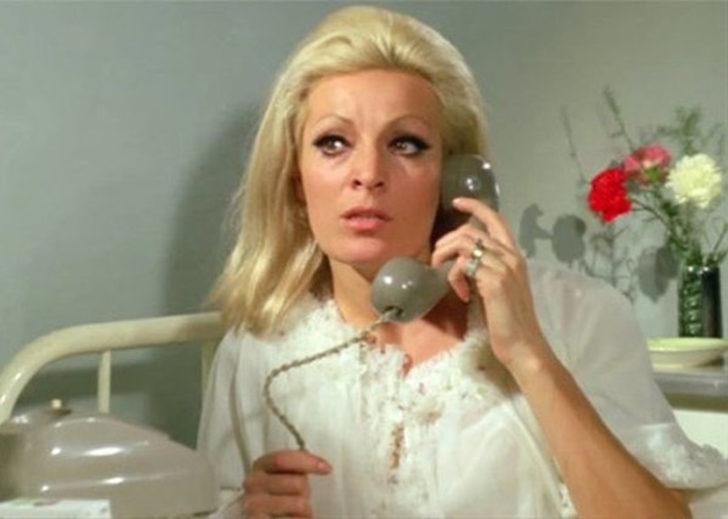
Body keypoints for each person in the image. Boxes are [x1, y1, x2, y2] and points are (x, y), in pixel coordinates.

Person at [198, 5, 728, 518]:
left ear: (455, 178)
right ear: (295, 180)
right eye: (333, 143)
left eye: (405, 144)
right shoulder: (259, 349)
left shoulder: (580, 314)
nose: (368, 173)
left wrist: (529, 355)